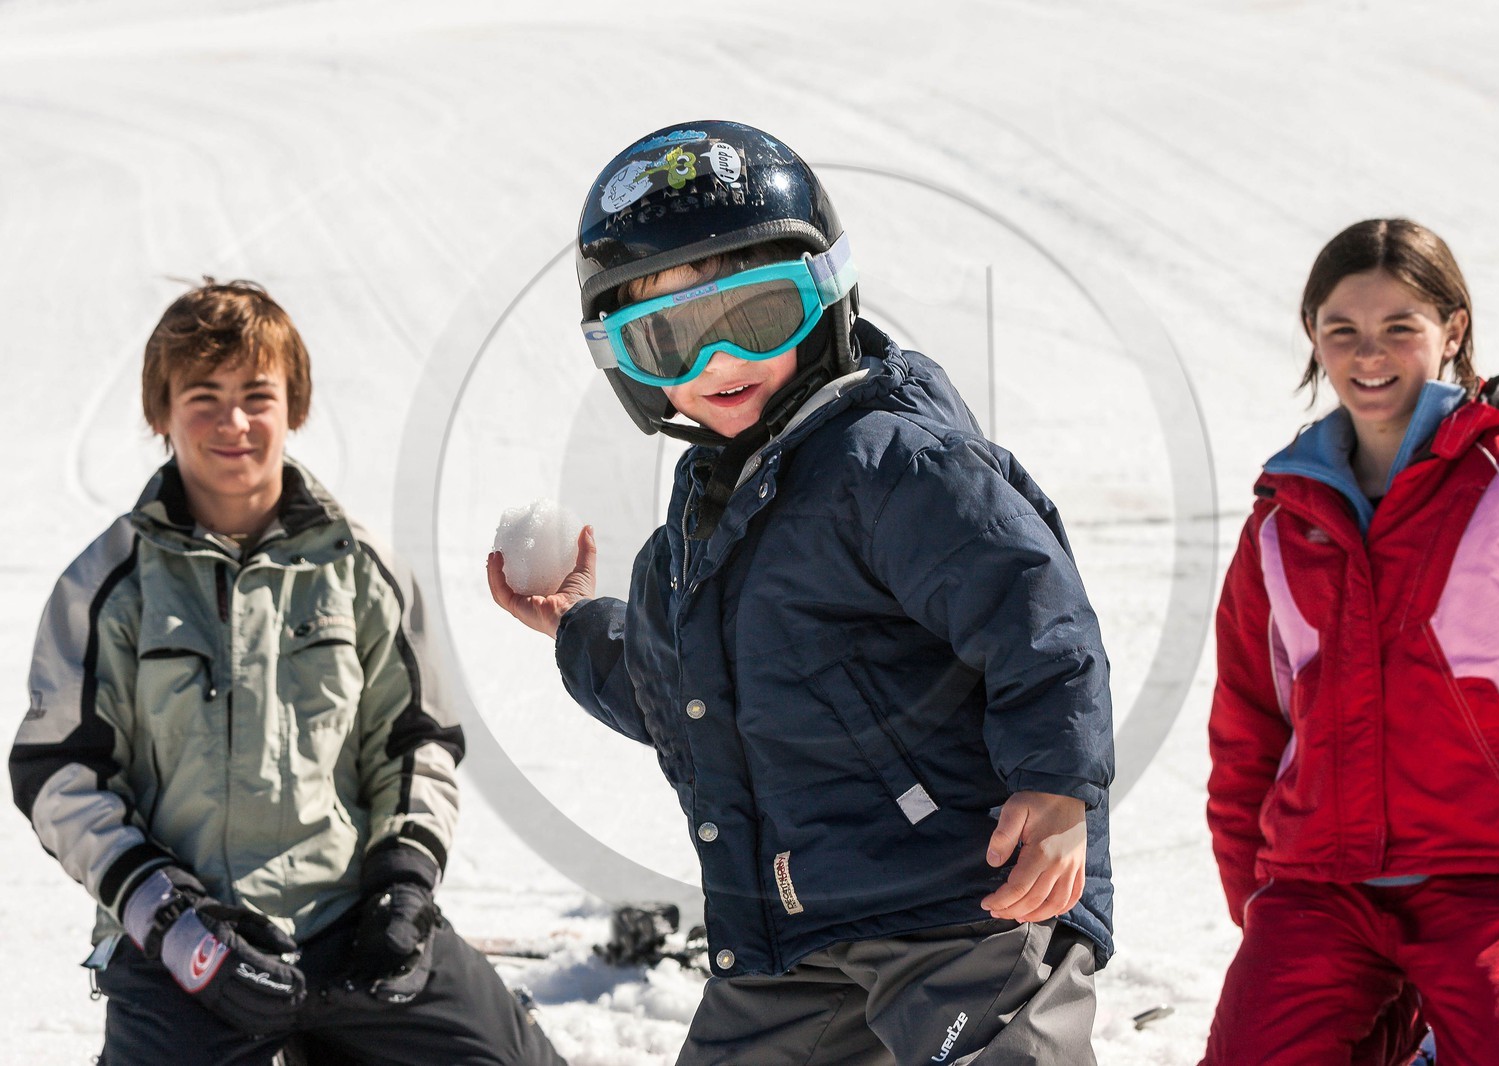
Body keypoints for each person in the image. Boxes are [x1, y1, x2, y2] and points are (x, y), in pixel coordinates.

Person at [486, 120, 1114, 1065]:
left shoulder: (896, 465)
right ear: (623, 361)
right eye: (669, 341)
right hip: (794, 942)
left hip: (965, 903)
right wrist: (574, 624)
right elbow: (682, 692)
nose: (717, 365)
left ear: (827, 297)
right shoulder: (695, 532)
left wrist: (1059, 788)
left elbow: (1038, 620)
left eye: (757, 316)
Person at [9, 280, 565, 1066]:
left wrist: (401, 889)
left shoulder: (360, 567)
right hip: (185, 945)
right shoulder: (109, 583)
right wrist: (168, 914)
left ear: (293, 406)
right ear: (159, 412)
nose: (233, 422)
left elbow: (415, 744)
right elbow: (59, 770)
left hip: (351, 922)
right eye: (203, 395)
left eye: (256, 395)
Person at [1204, 218, 1499, 1064]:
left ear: (1452, 330)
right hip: (1319, 888)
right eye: (1341, 329)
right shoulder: (1282, 522)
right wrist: (1259, 908)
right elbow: (1246, 731)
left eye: (1399, 329)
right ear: (1312, 335)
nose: (1368, 354)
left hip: (1496, 880)